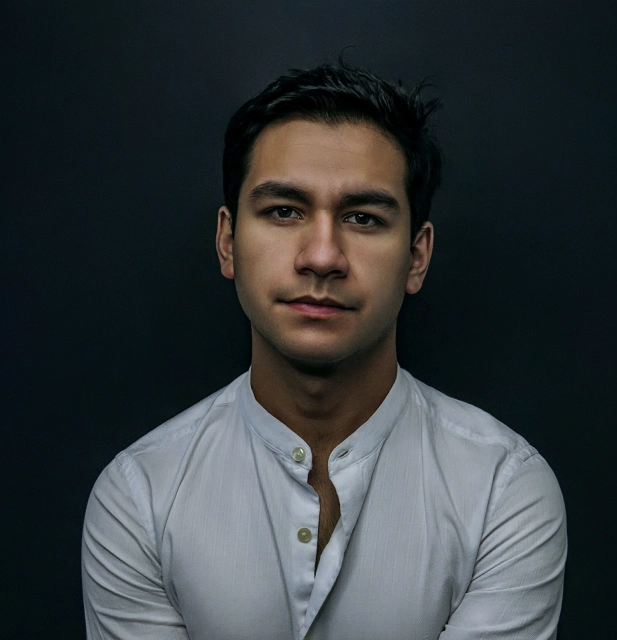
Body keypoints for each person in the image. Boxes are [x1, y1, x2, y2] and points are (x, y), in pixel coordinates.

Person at [82, 61, 567, 640]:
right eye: (284, 211)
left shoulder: (503, 491)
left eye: (362, 218)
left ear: (417, 256)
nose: (321, 256)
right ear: (227, 241)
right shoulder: (139, 496)